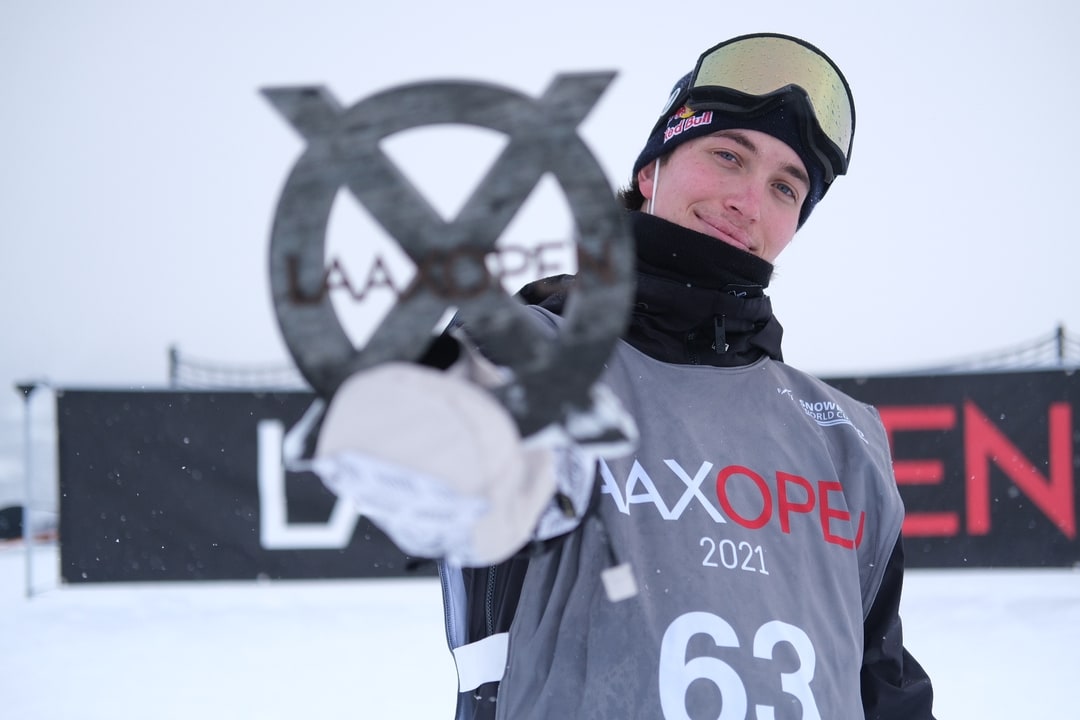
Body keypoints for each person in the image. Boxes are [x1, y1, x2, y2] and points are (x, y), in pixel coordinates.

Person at [305, 32, 936, 720]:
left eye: (785, 187)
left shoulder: (845, 440)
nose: (748, 201)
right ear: (649, 173)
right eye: (727, 155)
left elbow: (885, 686)